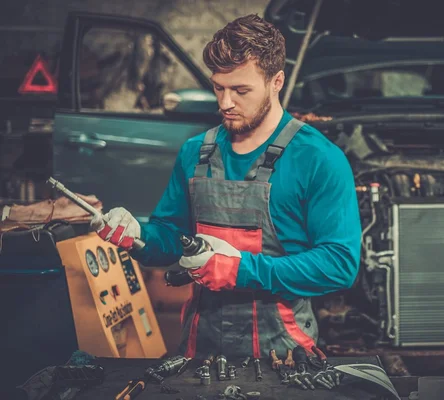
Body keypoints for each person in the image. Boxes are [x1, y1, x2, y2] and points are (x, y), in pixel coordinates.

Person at [91, 14, 361, 360]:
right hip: (198, 351)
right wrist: (137, 237)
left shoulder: (318, 159)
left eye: (240, 90)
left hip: (283, 357)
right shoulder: (195, 153)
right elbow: (172, 239)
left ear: (276, 81)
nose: (225, 103)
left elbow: (339, 264)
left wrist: (240, 270)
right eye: (219, 87)